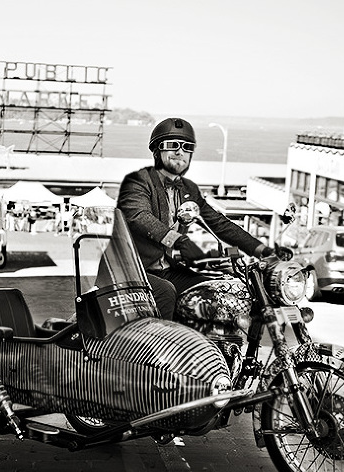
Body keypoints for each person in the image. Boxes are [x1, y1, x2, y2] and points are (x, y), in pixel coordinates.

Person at [116, 117, 275, 320]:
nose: (180, 151)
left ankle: (207, 339)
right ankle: (162, 341)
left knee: (214, 292)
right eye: (172, 145)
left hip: (168, 270)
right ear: (156, 151)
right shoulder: (139, 182)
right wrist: (179, 241)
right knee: (165, 292)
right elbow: (139, 216)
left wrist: (262, 250)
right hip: (133, 270)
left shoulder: (188, 189)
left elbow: (219, 223)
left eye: (187, 147)